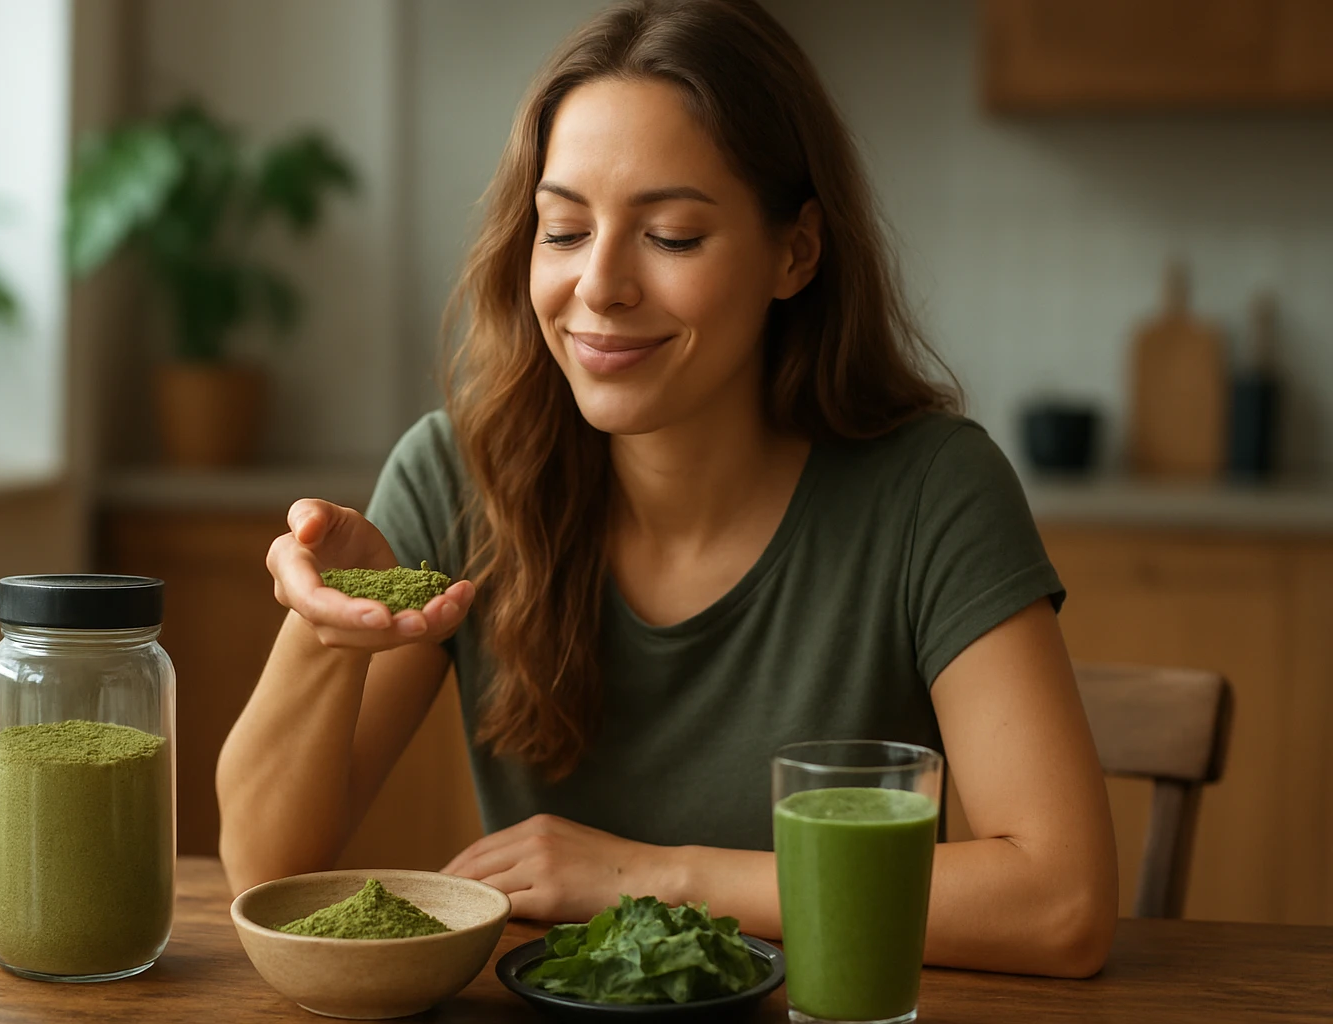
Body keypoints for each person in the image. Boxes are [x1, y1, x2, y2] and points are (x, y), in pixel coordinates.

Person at [216, 0, 1117, 978]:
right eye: (562, 231)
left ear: (795, 253)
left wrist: (653, 874)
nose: (600, 285)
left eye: (673, 236)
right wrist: (324, 631)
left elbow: (1060, 901)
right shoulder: (456, 479)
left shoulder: (934, 491)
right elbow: (266, 866)